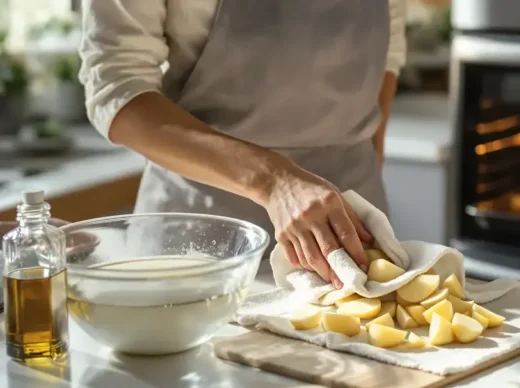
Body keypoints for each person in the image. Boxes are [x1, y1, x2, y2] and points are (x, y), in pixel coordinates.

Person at [79, 1, 406, 288]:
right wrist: (276, 182)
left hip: (350, 232)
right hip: (203, 247)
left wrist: (369, 158)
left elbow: (388, 54)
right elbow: (118, 92)